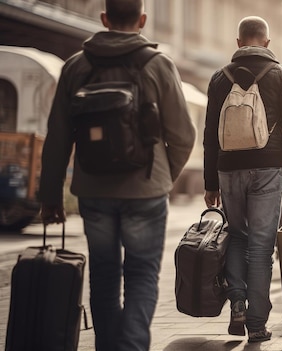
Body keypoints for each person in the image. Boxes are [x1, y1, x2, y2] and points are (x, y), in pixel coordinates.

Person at [38, 1, 196, 350]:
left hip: (94, 191)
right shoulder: (158, 65)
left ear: (104, 19)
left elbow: (59, 135)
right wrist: (161, 177)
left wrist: (50, 195)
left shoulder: (76, 66)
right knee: (141, 275)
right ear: (142, 19)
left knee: (104, 276)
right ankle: (133, 346)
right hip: (146, 191)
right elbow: (183, 135)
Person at [203, 16, 282, 343]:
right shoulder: (281, 74)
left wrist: (210, 183)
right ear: (267, 42)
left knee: (237, 235)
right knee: (262, 247)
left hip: (228, 168)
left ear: (238, 43)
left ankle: (237, 300)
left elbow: (209, 135)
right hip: (268, 167)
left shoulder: (218, 78)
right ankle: (257, 324)